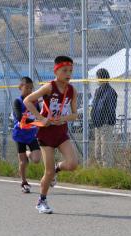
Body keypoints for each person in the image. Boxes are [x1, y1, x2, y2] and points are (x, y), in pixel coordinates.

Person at [24, 55, 78, 214]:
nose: (68, 74)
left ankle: (57, 169)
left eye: (71, 71)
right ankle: (42, 200)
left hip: (61, 132)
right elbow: (28, 100)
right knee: (47, 172)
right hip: (46, 134)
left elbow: (75, 114)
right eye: (65, 70)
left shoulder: (72, 90)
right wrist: (41, 118)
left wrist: (65, 118)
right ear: (56, 71)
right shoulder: (49, 87)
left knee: (73, 163)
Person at [12, 77, 41, 193]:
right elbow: (19, 117)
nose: (29, 90)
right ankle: (24, 182)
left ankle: (28, 153)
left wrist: (41, 122)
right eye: (26, 87)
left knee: (36, 159)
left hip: (31, 134)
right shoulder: (17, 101)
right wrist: (34, 121)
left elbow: (39, 115)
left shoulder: (34, 102)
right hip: (20, 134)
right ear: (20, 87)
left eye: (31, 88)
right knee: (23, 162)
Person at [90, 68, 117, 167]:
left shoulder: (110, 92)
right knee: (97, 150)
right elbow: (94, 106)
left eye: (98, 78)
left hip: (106, 124)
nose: (97, 80)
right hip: (97, 124)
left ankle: (107, 170)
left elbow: (110, 109)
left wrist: (105, 121)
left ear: (102, 78)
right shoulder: (98, 91)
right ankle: (100, 169)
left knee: (105, 150)